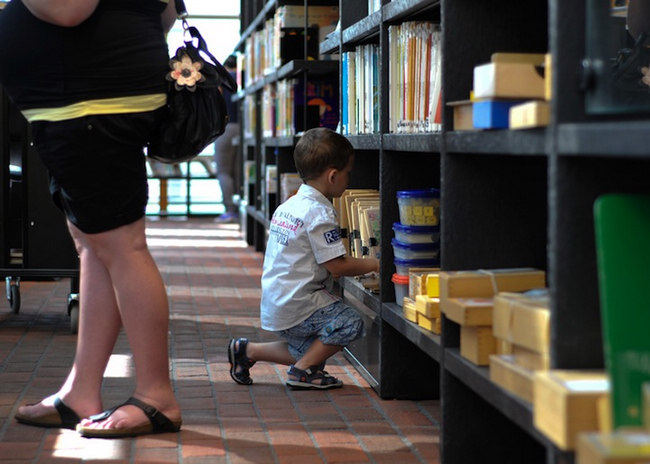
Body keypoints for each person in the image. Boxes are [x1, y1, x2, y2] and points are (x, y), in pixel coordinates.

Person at [0, 0, 181, 437]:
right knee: (96, 244)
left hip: (90, 100)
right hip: (90, 97)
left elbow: (69, 9)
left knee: (122, 245)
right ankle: (81, 392)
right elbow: (165, 13)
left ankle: (157, 397)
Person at [228, 127, 379, 390]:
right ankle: (302, 371)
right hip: (299, 303)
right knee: (349, 323)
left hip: (278, 301)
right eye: (348, 173)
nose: (349, 178)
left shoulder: (289, 204)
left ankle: (247, 350)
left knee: (313, 347)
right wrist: (376, 263)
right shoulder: (320, 212)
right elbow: (337, 266)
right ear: (333, 176)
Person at [214, 54, 240, 223]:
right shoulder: (242, 77)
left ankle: (229, 210)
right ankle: (240, 208)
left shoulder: (221, 80)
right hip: (244, 128)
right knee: (238, 171)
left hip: (225, 127)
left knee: (224, 171)